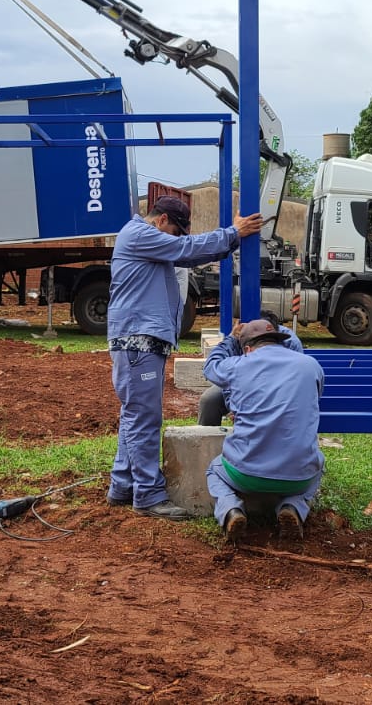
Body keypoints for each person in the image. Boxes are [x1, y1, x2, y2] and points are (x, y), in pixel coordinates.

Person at [106, 196, 264, 520]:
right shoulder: (140, 235)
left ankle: (122, 486)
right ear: (161, 220)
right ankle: (148, 495)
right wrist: (233, 232)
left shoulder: (147, 241)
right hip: (138, 341)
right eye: (175, 231)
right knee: (143, 418)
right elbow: (187, 249)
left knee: (134, 414)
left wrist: (229, 241)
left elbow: (189, 255)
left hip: (141, 341)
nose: (175, 238)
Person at [203, 317, 326, 541]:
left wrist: (231, 339)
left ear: (247, 349)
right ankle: (293, 507)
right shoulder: (310, 365)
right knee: (319, 462)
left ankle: (231, 509)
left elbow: (210, 367)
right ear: (279, 340)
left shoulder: (238, 366)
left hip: (246, 473)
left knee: (214, 470)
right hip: (299, 476)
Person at [197, 309, 303, 426]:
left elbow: (295, 383)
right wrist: (233, 405)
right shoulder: (241, 337)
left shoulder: (290, 343)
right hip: (245, 384)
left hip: (280, 390)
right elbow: (228, 379)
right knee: (209, 400)